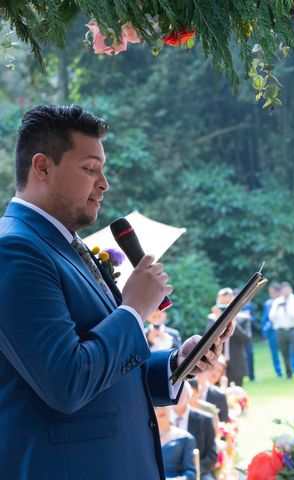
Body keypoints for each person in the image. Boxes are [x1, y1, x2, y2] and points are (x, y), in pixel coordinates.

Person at [0, 105, 227, 479]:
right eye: (90, 169)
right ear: (42, 167)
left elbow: (105, 376)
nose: (103, 183)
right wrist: (134, 311)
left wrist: (176, 365)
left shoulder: (67, 245)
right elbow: (68, 382)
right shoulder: (15, 250)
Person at [172, 383, 217, 480]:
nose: (176, 397)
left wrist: (194, 471)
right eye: (174, 393)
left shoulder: (205, 420)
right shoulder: (161, 420)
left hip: (200, 472)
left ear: (189, 396)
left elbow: (212, 454)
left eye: (180, 393)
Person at [262, 283, 294, 377]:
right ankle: (278, 371)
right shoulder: (268, 303)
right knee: (274, 352)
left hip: (284, 330)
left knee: (292, 351)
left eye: (273, 292)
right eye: (270, 292)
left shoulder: (285, 301)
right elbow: (265, 318)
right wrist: (264, 332)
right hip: (272, 331)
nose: (271, 294)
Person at [156, 406, 197, 480]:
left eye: (163, 405)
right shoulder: (146, 441)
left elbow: (190, 473)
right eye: (156, 407)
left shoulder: (185, 438)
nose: (160, 409)